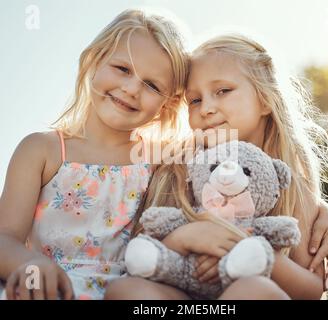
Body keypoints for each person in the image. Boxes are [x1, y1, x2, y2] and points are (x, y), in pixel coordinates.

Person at [104, 33, 328, 300]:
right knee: (126, 290)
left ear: (264, 99)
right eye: (195, 100)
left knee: (252, 290)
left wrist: (257, 253)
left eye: (223, 91)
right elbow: (145, 257)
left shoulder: (290, 188)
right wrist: (184, 238)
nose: (206, 108)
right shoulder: (179, 172)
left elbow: (314, 288)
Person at [0, 9, 189, 300]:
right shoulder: (41, 150)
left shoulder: (160, 162)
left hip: (129, 293)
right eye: (123, 69)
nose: (131, 89)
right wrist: (31, 264)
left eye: (151, 85)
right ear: (96, 59)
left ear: (167, 104)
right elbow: (4, 238)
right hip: (49, 289)